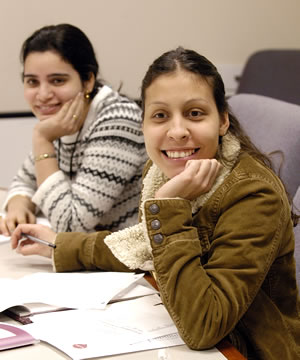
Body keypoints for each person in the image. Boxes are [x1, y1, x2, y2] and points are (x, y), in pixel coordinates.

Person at [11, 47, 300, 359]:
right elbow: (145, 246)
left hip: (243, 349)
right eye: (160, 116)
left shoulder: (252, 194)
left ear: (223, 121)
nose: (176, 132)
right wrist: (61, 246)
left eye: (195, 113)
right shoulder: (165, 171)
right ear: (144, 125)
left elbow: (204, 326)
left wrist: (169, 207)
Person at [0, 24, 147, 235]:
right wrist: (18, 205)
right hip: (88, 258)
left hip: (129, 261)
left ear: (88, 80)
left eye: (57, 80)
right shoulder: (63, 120)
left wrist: (42, 139)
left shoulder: (118, 120)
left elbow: (71, 224)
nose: (42, 94)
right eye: (32, 82)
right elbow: (24, 180)